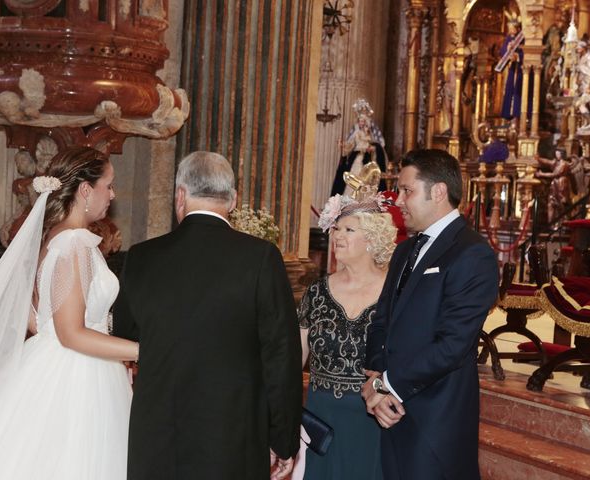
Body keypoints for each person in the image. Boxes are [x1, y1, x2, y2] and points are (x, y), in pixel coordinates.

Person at [112, 151, 302, 480]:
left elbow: (126, 336)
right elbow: (281, 356)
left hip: (158, 432)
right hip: (233, 435)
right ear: (233, 200)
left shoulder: (141, 257)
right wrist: (284, 439)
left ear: (180, 196)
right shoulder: (260, 257)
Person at [0, 146, 139, 479]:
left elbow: (38, 319)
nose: (112, 194)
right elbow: (70, 333)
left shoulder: (54, 240)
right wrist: (142, 350)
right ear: (86, 190)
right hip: (78, 375)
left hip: (53, 363)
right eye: (109, 184)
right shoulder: (74, 243)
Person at [362, 148, 499, 479]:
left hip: (436, 419)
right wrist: (374, 382)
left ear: (438, 192)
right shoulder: (406, 249)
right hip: (391, 411)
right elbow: (382, 321)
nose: (398, 200)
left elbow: (453, 345)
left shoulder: (472, 254)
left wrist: (387, 385)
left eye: (407, 190)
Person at [295, 193, 396, 480]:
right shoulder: (316, 293)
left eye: (349, 230)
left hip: (373, 421)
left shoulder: (395, 295)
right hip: (320, 420)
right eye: (336, 228)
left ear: (372, 238)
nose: (337, 236)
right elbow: (293, 360)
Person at [331, 100, 387, 196]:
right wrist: (343, 145)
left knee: (367, 178)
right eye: (360, 121)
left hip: (367, 158)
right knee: (353, 176)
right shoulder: (356, 133)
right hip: (357, 157)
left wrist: (372, 148)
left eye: (363, 121)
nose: (361, 123)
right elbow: (351, 145)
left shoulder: (369, 133)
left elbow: (378, 144)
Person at [535, 147, 572, 223]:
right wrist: (539, 159)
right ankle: (551, 224)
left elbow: (555, 174)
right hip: (554, 185)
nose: (557, 155)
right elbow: (548, 162)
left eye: (558, 153)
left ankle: (564, 222)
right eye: (556, 153)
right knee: (551, 203)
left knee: (562, 204)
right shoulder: (556, 162)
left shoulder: (564, 164)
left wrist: (542, 174)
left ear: (562, 154)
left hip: (561, 184)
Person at [499, 19, 524, 121]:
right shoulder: (508, 38)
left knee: (517, 91)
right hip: (511, 69)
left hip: (520, 70)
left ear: (517, 28)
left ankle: (516, 115)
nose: (510, 30)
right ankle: (507, 115)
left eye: (512, 28)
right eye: (509, 28)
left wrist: (517, 56)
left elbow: (527, 52)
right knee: (509, 89)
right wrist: (507, 50)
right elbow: (502, 50)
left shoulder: (522, 39)